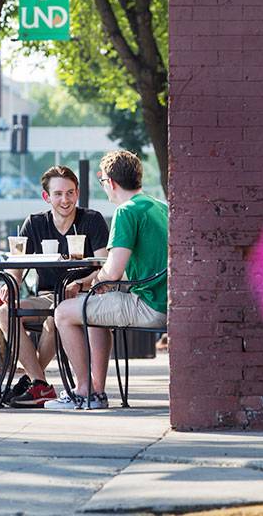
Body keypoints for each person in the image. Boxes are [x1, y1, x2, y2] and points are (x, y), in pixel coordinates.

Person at [45, 150, 168, 410]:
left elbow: (112, 272)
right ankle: (96, 393)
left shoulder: (126, 211)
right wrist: (95, 284)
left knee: (64, 312)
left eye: (104, 183)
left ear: (111, 182)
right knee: (94, 307)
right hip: (166, 300)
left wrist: (86, 284)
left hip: (149, 304)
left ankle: (83, 391)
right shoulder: (159, 206)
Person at [0, 165, 109, 408]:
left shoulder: (92, 220)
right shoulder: (35, 223)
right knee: (3, 312)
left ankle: (35, 385)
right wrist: (10, 283)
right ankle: (40, 382)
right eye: (58, 194)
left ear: (77, 193)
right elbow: (16, 267)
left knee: (55, 317)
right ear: (46, 197)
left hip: (82, 296)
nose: (65, 199)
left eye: (69, 192)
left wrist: (82, 282)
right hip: (47, 295)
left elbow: (104, 266)